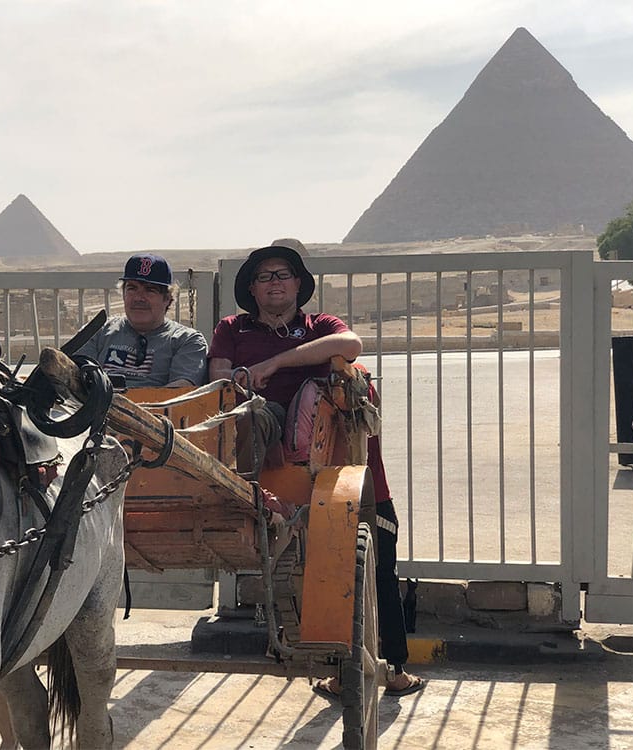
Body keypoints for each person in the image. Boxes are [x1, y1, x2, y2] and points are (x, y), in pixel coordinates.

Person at [207, 240, 426, 698]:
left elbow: (350, 345)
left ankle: (395, 665)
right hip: (257, 444)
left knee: (375, 557)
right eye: (265, 276)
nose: (274, 282)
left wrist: (274, 362)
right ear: (251, 288)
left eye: (283, 274)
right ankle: (331, 662)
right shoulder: (231, 328)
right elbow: (218, 379)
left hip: (332, 460)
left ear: (299, 285)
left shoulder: (319, 326)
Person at [78, 254, 207, 387]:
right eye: (132, 288)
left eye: (150, 290)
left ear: (167, 298)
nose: (139, 298)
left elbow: (181, 391)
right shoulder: (96, 331)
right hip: (96, 406)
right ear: (123, 294)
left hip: (158, 407)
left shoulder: (187, 340)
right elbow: (73, 377)